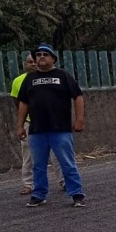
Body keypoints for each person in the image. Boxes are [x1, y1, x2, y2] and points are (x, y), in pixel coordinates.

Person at [15, 43, 86, 208]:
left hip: (60, 128)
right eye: (38, 55)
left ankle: (76, 193)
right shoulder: (29, 79)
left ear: (53, 58)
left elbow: (78, 97)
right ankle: (39, 195)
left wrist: (79, 120)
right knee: (38, 165)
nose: (41, 57)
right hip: (37, 130)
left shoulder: (63, 76)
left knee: (66, 162)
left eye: (45, 54)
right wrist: (19, 125)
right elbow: (23, 103)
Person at [11, 54, 63, 195]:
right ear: (25, 64)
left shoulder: (50, 77)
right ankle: (29, 184)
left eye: (34, 62)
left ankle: (63, 181)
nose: (33, 64)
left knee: (57, 153)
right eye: (29, 62)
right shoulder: (18, 81)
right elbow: (18, 102)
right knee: (28, 155)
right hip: (31, 123)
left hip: (51, 123)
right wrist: (21, 123)